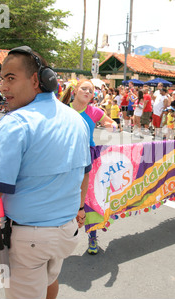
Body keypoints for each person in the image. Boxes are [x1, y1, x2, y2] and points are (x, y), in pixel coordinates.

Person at [0, 46, 91, 299]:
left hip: (29, 241)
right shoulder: (76, 119)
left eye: (11, 78)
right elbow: (84, 173)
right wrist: (79, 208)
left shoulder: (15, 123)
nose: (3, 87)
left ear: (37, 80)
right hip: (67, 233)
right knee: (50, 280)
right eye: (2, 79)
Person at [70, 79, 117, 255]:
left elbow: (111, 123)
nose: (88, 92)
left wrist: (109, 125)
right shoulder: (62, 108)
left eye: (91, 90)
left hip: (87, 158)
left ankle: (92, 236)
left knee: (89, 200)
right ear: (75, 90)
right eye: (84, 88)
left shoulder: (94, 111)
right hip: (65, 158)